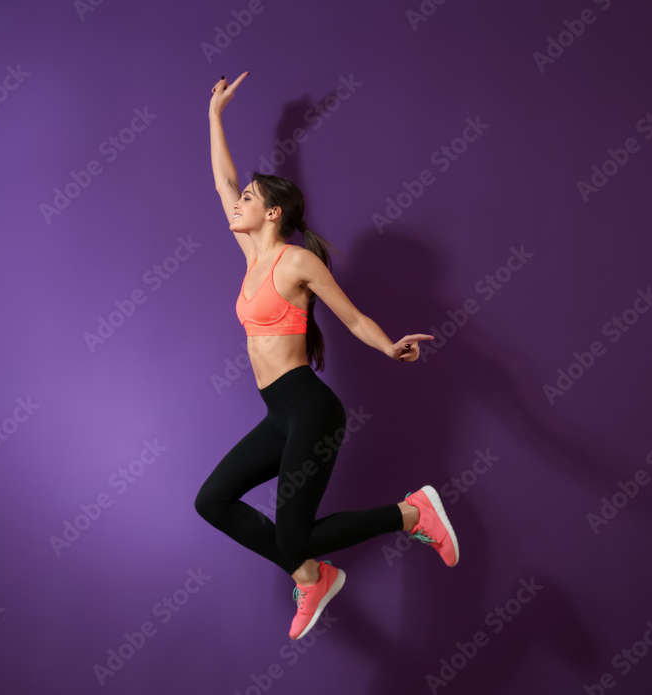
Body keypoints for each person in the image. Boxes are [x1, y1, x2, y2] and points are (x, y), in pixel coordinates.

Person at [195, 72, 460, 641]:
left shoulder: (295, 263)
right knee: (212, 500)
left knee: (293, 534)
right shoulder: (252, 256)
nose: (236, 203)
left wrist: (390, 346)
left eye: (249, 200)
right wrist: (215, 116)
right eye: (241, 198)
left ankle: (412, 512)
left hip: (310, 407)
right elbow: (223, 182)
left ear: (272, 214)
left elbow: (354, 317)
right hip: (277, 413)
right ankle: (311, 576)